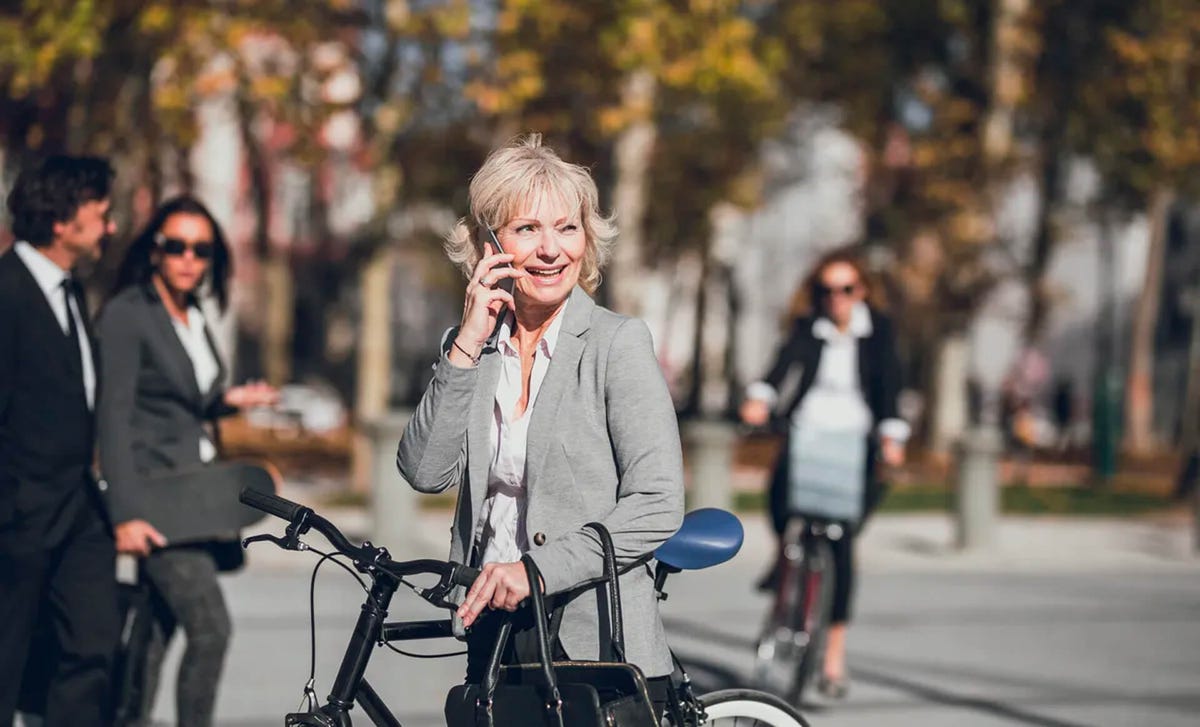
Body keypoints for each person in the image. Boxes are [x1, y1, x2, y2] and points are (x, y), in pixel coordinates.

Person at [396, 134, 684, 718]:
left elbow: (656, 503)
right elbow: (425, 471)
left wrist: (535, 571)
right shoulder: (473, 348)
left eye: (567, 228)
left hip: (592, 632)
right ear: (488, 246)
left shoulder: (615, 344)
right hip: (493, 628)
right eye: (528, 229)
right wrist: (468, 342)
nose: (552, 250)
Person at [96, 195, 278, 727]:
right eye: (175, 245)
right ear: (154, 250)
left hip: (193, 498)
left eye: (200, 249)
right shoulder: (128, 314)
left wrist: (228, 402)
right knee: (210, 628)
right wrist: (124, 515)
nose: (187, 259)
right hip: (154, 501)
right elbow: (113, 417)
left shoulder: (192, 313)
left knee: (153, 634)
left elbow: (181, 397)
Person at [740, 247, 907, 699]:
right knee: (778, 500)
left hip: (857, 443)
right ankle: (784, 554)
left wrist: (892, 437)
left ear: (862, 291)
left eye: (846, 289)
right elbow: (780, 367)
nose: (836, 298)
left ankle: (833, 656)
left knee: (843, 545)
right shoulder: (807, 329)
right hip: (808, 434)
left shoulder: (879, 333)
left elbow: (891, 385)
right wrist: (761, 398)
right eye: (827, 290)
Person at [0, 156, 122, 726]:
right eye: (101, 214)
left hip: (79, 513)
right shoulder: (7, 293)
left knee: (93, 646)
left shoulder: (71, 292)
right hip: (17, 517)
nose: (110, 227)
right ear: (60, 221)